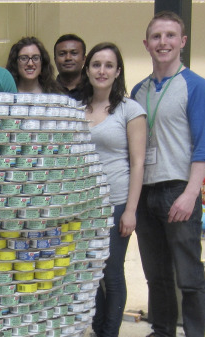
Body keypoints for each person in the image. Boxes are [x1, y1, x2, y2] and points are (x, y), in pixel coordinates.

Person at [131, 11, 205, 337]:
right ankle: (162, 330)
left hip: (178, 190)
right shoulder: (138, 90)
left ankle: (193, 332)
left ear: (182, 41)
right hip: (146, 192)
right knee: (156, 275)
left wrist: (191, 194)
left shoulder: (195, 86)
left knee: (189, 275)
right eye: (156, 37)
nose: (163, 42)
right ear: (146, 44)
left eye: (170, 36)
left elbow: (203, 147)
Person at [81, 42, 147, 337]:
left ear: (118, 71)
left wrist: (131, 210)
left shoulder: (130, 109)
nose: (102, 70)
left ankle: (109, 333)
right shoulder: (79, 108)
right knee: (89, 272)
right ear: (88, 69)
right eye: (96, 64)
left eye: (109, 65)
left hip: (117, 202)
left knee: (112, 273)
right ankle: (97, 329)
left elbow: (138, 161)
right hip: (84, 205)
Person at [54, 34, 86, 100]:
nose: (68, 58)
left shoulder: (93, 91)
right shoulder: (47, 91)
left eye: (74, 53)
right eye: (62, 54)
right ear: (55, 60)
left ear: (84, 59)